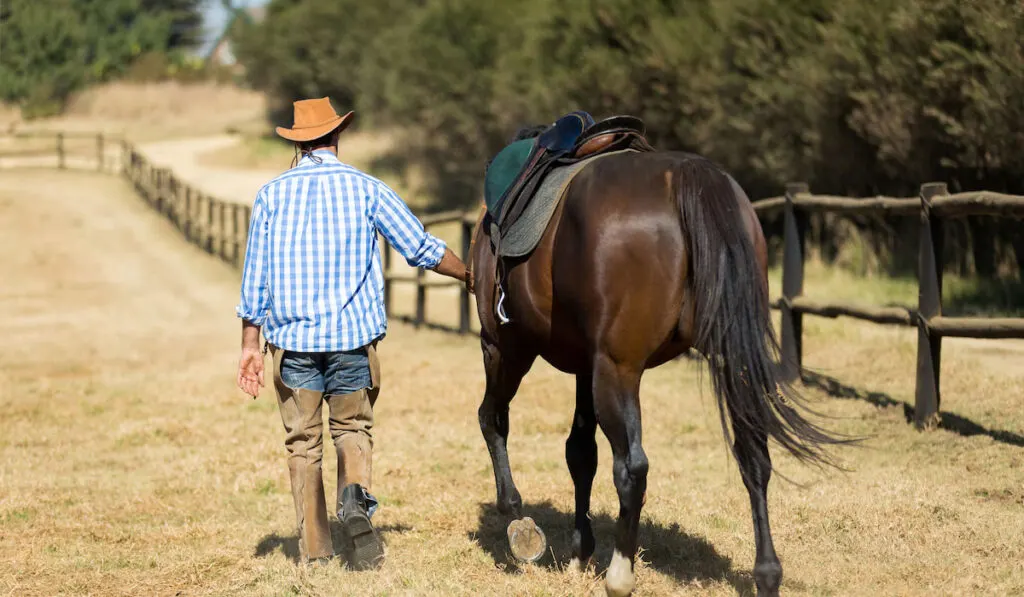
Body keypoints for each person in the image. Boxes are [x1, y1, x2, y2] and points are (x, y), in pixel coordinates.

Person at [234, 97, 472, 569]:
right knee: (352, 430)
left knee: (303, 445)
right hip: (352, 343)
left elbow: (254, 276)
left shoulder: (270, 194)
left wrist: (248, 345)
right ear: (337, 136)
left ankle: (318, 552)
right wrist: (470, 275)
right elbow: (420, 247)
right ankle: (354, 502)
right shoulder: (368, 189)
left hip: (295, 347)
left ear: (298, 143)